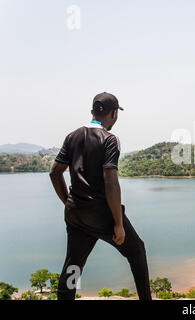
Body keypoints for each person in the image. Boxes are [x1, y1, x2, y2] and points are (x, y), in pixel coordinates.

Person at [49, 92, 151, 300]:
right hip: (100, 213)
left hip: (76, 213)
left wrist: (69, 202)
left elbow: (55, 172)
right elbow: (110, 180)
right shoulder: (110, 140)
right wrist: (118, 223)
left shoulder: (72, 136)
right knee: (137, 251)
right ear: (114, 114)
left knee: (74, 264)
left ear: (92, 112)